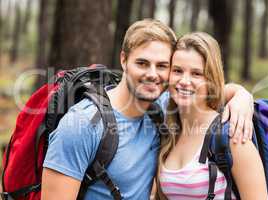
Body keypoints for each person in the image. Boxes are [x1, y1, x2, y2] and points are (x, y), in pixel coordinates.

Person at [41, 19, 255, 200]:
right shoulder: (82, 125)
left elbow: (201, 90)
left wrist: (242, 96)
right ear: (124, 60)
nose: (153, 74)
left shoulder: (159, 110)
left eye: (162, 66)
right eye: (142, 63)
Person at [156, 32, 268, 200]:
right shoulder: (168, 131)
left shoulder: (232, 134)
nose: (185, 81)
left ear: (211, 79)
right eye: (178, 71)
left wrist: (243, 94)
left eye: (196, 74)